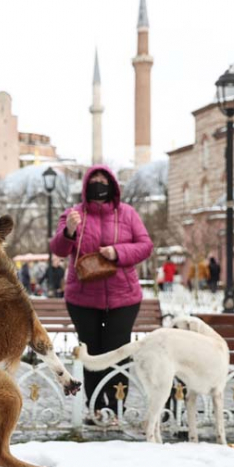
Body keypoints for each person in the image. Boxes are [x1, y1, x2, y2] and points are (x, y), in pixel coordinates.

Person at [49, 165, 154, 420]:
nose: (99, 185)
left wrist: (118, 252)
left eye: (103, 181)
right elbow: (58, 249)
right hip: (83, 298)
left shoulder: (127, 213)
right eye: (94, 181)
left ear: (113, 186)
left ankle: (117, 407)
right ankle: (94, 407)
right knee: (91, 352)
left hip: (123, 297)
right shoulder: (73, 214)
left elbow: (145, 246)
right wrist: (69, 231)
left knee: (118, 352)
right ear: (86, 186)